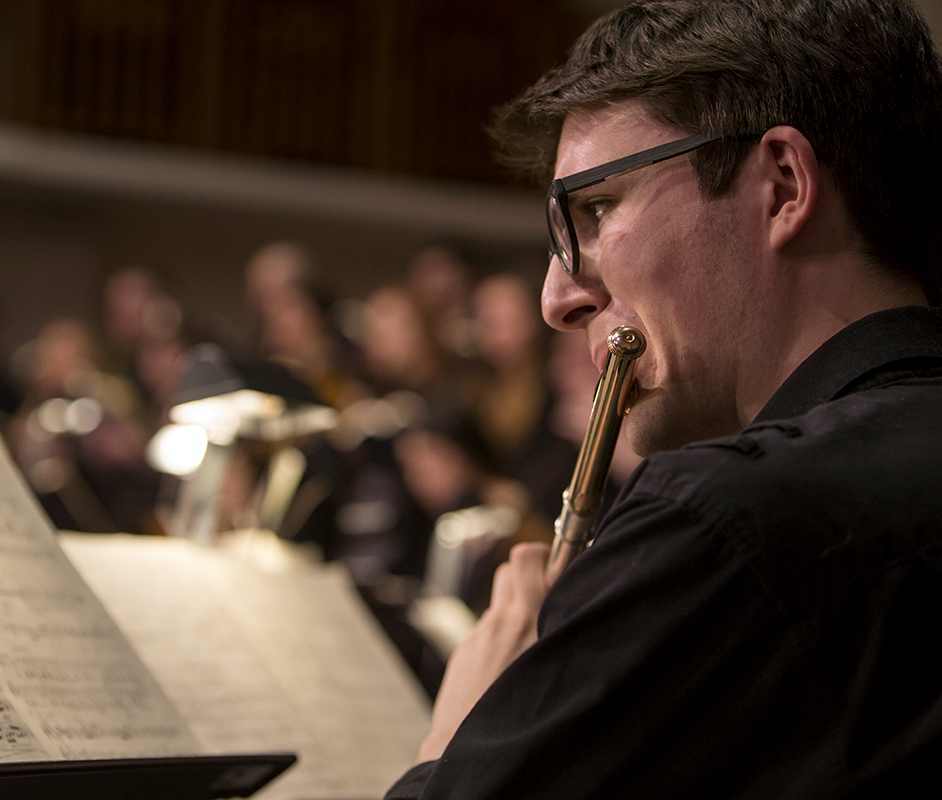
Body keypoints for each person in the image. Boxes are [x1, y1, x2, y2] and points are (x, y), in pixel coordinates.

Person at [387, 1, 942, 797]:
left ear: (783, 184)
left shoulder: (723, 516)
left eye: (598, 208)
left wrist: (454, 745)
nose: (557, 299)